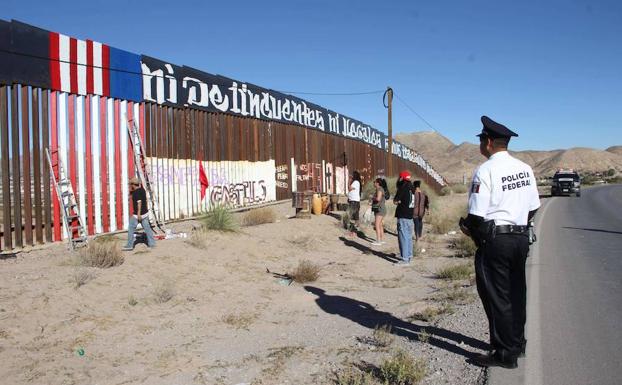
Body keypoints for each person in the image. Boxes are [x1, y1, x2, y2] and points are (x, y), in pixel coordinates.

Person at [459, 116, 540, 369]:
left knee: (497, 297)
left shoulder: (485, 170)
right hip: (519, 239)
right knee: (517, 294)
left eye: (481, 140)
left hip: (495, 241)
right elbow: (533, 207)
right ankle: (517, 344)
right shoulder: (525, 168)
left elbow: (476, 215)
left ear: (490, 142)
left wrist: (469, 229)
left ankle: (504, 354)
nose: (481, 145)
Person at [123, 177, 156, 251]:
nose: (130, 186)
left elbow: (139, 203)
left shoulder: (136, 193)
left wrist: (138, 214)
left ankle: (129, 245)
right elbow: (145, 201)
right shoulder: (142, 190)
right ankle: (152, 243)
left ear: (133, 185)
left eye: (131, 184)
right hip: (145, 213)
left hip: (138, 215)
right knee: (147, 229)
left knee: (131, 228)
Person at [393, 171, 414, 265]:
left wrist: (399, 202)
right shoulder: (412, 188)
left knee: (403, 237)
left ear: (401, 178)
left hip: (403, 215)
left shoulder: (403, 187)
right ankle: (409, 256)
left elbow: (395, 200)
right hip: (410, 215)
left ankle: (404, 259)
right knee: (408, 237)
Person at [370, 177, 389, 246]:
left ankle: (378, 240)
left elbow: (378, 199)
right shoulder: (379, 189)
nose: (373, 183)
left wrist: (372, 197)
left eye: (374, 182)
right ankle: (381, 239)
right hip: (380, 209)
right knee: (380, 225)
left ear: (377, 183)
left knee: (377, 224)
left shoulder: (379, 189)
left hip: (380, 209)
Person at [347, 171, 361, 236]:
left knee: (354, 217)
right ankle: (355, 231)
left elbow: (349, 188)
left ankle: (354, 232)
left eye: (352, 175)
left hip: (354, 202)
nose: (351, 176)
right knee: (355, 217)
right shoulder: (355, 182)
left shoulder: (356, 182)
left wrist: (349, 181)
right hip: (353, 201)